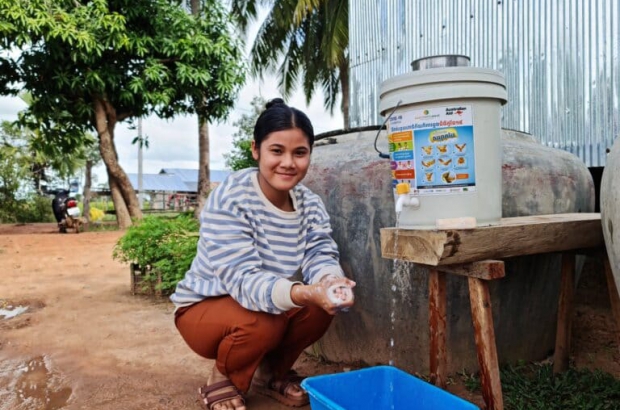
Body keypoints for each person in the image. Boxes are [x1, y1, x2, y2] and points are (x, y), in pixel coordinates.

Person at [170, 98, 356, 410]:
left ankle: (272, 374)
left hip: (260, 305)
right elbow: (244, 282)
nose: (288, 163)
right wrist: (304, 291)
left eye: (300, 153)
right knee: (264, 321)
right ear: (256, 150)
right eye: (277, 151)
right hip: (203, 309)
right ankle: (222, 378)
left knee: (320, 307)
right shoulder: (232, 197)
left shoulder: (309, 203)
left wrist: (328, 282)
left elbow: (320, 251)